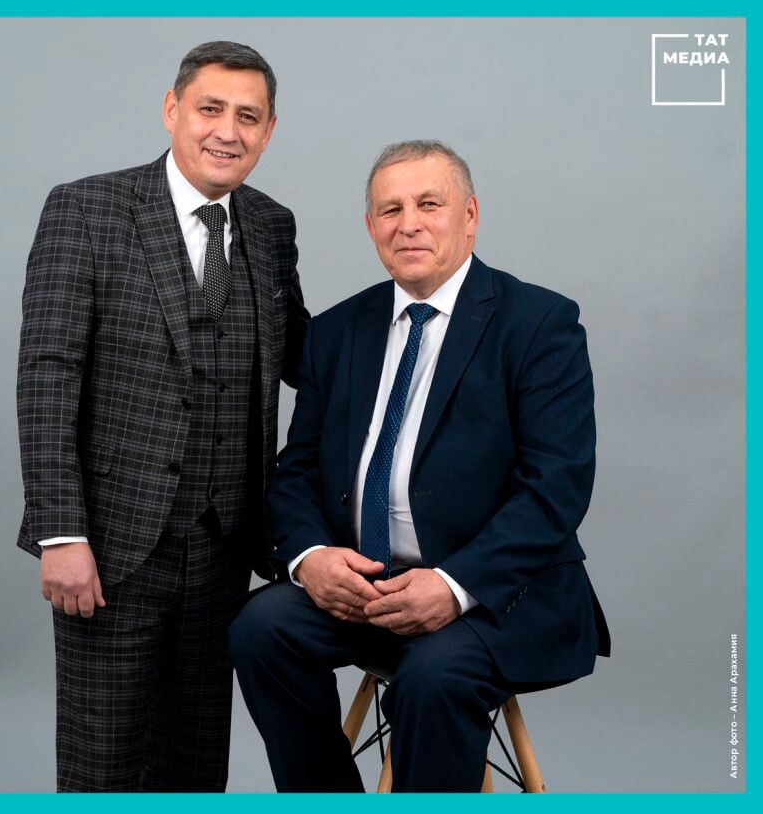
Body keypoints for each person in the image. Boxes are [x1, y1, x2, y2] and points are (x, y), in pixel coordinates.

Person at [230, 140, 610, 793]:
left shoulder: (539, 323)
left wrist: (453, 585)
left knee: (431, 678)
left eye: (429, 204)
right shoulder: (338, 331)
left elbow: (557, 488)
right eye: (390, 210)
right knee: (260, 630)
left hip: (494, 597)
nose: (408, 224)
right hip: (367, 586)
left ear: (470, 215)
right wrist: (311, 558)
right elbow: (296, 470)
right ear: (371, 226)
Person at [16, 40, 308, 792]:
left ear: (269, 130)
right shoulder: (85, 209)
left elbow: (306, 356)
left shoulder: (271, 226)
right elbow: (47, 376)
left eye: (248, 116)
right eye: (211, 109)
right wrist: (61, 533)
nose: (228, 131)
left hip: (225, 545)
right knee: (103, 762)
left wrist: (422, 321)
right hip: (111, 542)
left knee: (196, 765)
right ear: (173, 110)